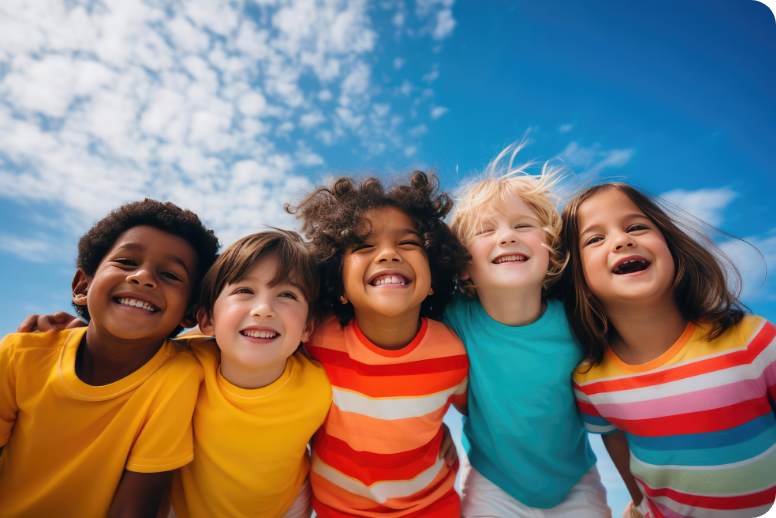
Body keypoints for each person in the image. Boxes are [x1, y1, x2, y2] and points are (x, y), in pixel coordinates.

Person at [562, 183, 776, 518]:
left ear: (670, 245)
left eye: (636, 227)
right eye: (594, 239)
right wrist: (640, 503)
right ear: (577, 276)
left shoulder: (753, 340)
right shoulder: (590, 381)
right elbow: (614, 438)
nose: (622, 240)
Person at [0, 199, 219, 518]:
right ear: (82, 286)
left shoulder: (179, 374)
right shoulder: (22, 354)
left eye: (171, 274)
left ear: (189, 312)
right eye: (127, 261)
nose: (144, 277)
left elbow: (133, 510)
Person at [286, 171, 470, 517]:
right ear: (336, 280)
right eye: (364, 246)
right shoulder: (313, 337)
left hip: (433, 504)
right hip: (339, 508)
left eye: (408, 243)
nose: (387, 254)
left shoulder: (453, 352)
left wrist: (433, 425)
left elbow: (473, 411)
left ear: (434, 276)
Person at [443, 142, 610, 517]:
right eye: (486, 230)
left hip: (575, 479)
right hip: (492, 479)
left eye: (522, 226)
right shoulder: (454, 319)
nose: (507, 236)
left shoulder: (577, 320)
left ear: (550, 250)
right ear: (463, 266)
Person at [170, 230, 332, 518]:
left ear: (308, 327)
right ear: (207, 319)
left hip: (287, 507)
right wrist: (78, 330)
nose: (264, 309)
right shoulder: (182, 362)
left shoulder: (323, 383)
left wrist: (439, 428)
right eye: (244, 290)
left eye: (287, 294)